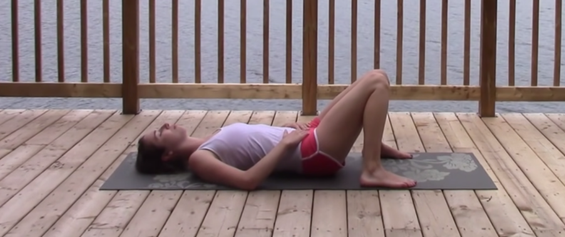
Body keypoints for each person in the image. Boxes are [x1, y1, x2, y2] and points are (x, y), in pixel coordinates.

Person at [135, 69, 417, 190]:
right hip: (312, 152)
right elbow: (247, 181)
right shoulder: (199, 159)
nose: (165, 124)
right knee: (376, 85)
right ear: (168, 155)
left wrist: (281, 131)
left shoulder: (208, 139)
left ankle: (373, 143)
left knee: (377, 75)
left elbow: (253, 144)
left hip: (306, 137)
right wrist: (284, 144)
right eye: (160, 133)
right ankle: (371, 167)